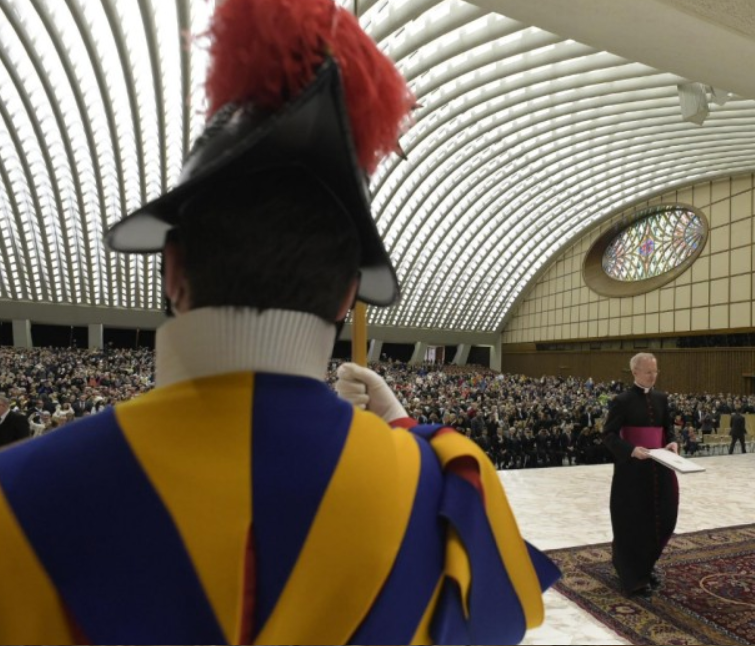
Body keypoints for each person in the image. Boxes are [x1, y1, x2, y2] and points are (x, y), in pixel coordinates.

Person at [0, 1, 557, 643]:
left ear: (173, 269)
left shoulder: (16, 495)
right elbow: (496, 623)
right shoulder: (443, 493)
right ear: (349, 294)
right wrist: (404, 432)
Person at [601, 353, 680, 599]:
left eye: (655, 371)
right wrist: (631, 450)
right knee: (633, 521)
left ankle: (647, 564)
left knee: (663, 516)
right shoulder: (622, 401)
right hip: (632, 471)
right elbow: (608, 435)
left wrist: (672, 442)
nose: (653, 376)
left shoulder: (662, 398)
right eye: (648, 372)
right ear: (635, 372)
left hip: (660, 467)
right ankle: (633, 576)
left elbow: (668, 428)